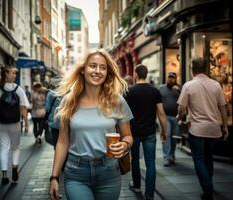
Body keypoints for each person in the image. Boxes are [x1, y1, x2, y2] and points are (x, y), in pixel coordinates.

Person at [49, 49, 133, 200]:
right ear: (82, 70)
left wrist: (125, 145)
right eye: (93, 66)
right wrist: (54, 177)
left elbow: (128, 136)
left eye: (103, 67)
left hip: (109, 172)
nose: (98, 71)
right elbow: (62, 142)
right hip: (76, 172)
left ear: (107, 72)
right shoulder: (69, 101)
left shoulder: (117, 101)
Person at [177, 57, 228, 200]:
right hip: (213, 129)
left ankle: (207, 188)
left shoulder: (189, 85)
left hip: (197, 129)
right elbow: (223, 107)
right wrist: (225, 126)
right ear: (206, 68)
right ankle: (209, 183)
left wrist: (180, 117)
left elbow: (182, 108)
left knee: (199, 159)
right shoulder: (216, 85)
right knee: (208, 157)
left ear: (192, 69)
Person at [124, 64, 167, 200]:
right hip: (150, 132)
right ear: (146, 74)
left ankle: (136, 185)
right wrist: (164, 131)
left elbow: (123, 114)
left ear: (136, 74)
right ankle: (149, 194)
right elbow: (161, 113)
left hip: (134, 132)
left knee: (135, 159)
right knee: (150, 162)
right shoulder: (154, 91)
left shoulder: (129, 91)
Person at [0, 65, 29, 185]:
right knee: (15, 148)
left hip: (1, 124)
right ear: (6, 74)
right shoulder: (19, 89)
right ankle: (15, 167)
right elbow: (23, 108)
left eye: (15, 73)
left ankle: (4, 175)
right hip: (15, 124)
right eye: (13, 73)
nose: (15, 75)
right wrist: (26, 123)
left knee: (4, 148)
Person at [159, 72, 181, 166]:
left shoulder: (179, 89)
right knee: (166, 136)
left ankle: (172, 155)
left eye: (172, 78)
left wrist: (179, 91)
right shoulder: (161, 88)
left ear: (175, 79)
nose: (170, 79)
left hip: (176, 117)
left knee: (174, 138)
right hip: (165, 117)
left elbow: (184, 101)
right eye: (169, 77)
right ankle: (166, 157)